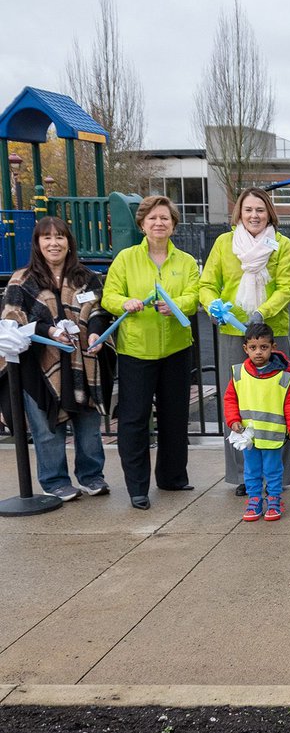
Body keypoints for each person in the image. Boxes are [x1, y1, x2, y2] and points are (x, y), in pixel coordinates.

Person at [0, 216, 114, 500]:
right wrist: (48, 330)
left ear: (68, 242)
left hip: (82, 362)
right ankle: (54, 481)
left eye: (60, 237)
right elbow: (11, 321)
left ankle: (91, 475)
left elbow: (99, 312)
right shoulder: (21, 280)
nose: (54, 243)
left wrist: (95, 335)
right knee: (46, 426)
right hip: (38, 365)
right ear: (38, 243)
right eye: (47, 237)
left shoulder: (86, 277)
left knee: (88, 424)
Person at [199, 187, 290, 496]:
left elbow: (289, 286)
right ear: (239, 214)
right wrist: (212, 305)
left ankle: (278, 476)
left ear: (269, 212)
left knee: (277, 403)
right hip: (234, 334)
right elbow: (207, 284)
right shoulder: (223, 244)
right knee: (239, 404)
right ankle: (244, 475)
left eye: (260, 210)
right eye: (248, 210)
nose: (254, 215)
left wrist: (262, 312)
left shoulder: (281, 246)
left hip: (272, 333)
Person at [101, 196, 200, 510]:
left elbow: (194, 294)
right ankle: (137, 487)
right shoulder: (126, 259)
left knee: (175, 416)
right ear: (142, 224)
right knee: (134, 419)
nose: (160, 223)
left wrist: (176, 305)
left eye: (166, 218)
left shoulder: (184, 261)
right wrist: (124, 303)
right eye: (153, 218)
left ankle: (172, 477)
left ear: (173, 225)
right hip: (137, 350)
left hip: (176, 348)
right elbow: (109, 295)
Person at [224, 323, 290, 522]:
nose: (258, 352)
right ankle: (255, 499)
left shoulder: (282, 377)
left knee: (274, 470)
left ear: (273, 347)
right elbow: (230, 399)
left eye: (264, 347)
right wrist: (232, 420)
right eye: (253, 348)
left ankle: (274, 499)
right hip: (249, 437)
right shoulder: (238, 373)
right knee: (251, 470)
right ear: (245, 349)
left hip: (272, 436)